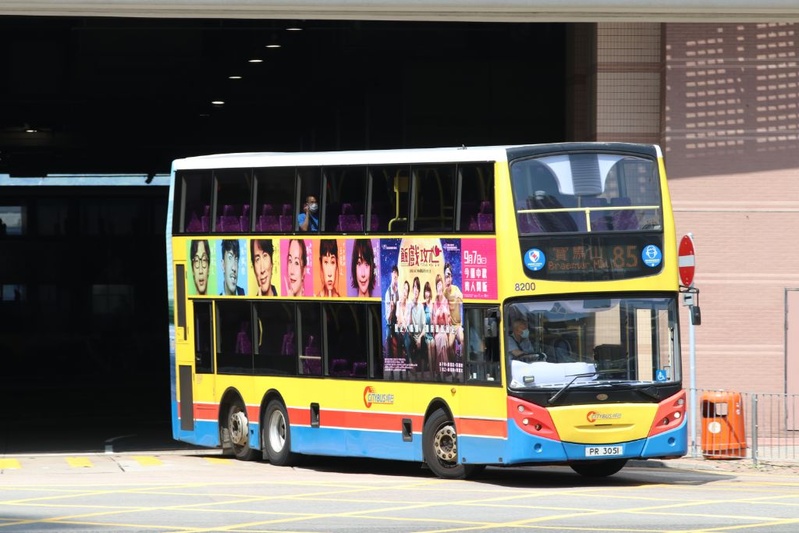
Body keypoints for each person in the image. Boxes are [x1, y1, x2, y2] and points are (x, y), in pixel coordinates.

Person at [443, 262, 463, 359]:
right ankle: (454, 359)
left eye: (449, 276)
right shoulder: (443, 293)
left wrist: (458, 298)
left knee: (462, 339)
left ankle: (462, 359)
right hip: (450, 327)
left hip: (458, 325)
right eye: (446, 276)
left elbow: (462, 300)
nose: (448, 279)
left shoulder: (456, 289)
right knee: (449, 346)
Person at [432, 273, 451, 370]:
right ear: (436, 287)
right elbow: (434, 325)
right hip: (437, 331)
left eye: (440, 285)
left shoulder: (445, 301)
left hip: (444, 330)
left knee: (443, 337)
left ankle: (440, 369)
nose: (439, 287)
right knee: (439, 337)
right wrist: (436, 315)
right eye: (437, 285)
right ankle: (443, 369)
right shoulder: (435, 302)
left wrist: (445, 313)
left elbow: (447, 323)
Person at [384, 264, 400, 357]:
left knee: (401, 337)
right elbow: (387, 318)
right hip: (390, 324)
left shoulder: (399, 292)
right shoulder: (387, 293)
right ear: (391, 275)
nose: (395, 275)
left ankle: (402, 363)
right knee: (388, 337)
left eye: (396, 273)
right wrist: (391, 310)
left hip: (397, 323)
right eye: (393, 273)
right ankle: (389, 362)